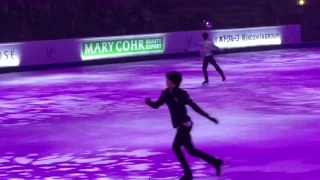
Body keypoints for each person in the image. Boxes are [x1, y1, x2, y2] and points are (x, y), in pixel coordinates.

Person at [145, 71, 223, 180]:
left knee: (175, 147)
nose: (167, 83)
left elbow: (195, 108)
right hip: (179, 125)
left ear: (176, 83)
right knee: (191, 151)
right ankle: (215, 162)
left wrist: (209, 117)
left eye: (169, 81)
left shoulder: (182, 94)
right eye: (167, 81)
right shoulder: (166, 94)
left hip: (186, 124)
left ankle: (188, 174)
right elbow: (156, 105)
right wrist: (149, 103)